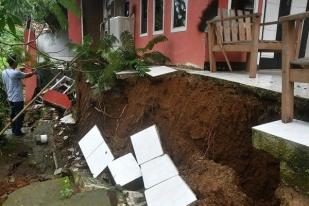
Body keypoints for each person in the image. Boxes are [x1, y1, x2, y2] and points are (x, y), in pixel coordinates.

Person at [2, 54, 36, 136]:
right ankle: (17, 132)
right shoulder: (16, 73)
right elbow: (27, 75)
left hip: (10, 97)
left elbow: (17, 72)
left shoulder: (4, 72)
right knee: (19, 115)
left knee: (13, 114)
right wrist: (34, 72)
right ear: (14, 62)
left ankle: (14, 130)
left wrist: (22, 69)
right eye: (16, 61)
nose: (17, 62)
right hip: (17, 98)